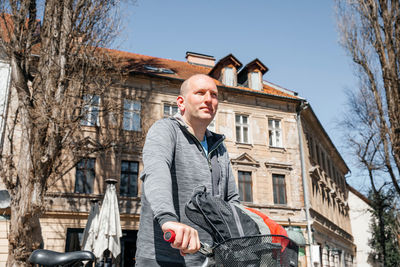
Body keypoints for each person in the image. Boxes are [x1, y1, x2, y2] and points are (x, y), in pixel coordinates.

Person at [135, 74, 240, 266]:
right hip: (163, 258)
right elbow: (156, 172)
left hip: (210, 259)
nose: (208, 99)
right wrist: (168, 220)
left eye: (214, 95)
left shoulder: (219, 147)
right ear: (181, 103)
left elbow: (232, 200)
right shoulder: (165, 129)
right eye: (200, 93)